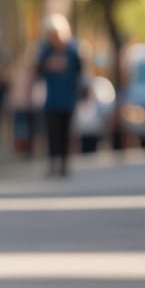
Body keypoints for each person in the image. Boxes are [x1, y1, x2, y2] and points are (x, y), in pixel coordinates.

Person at [36, 13, 83, 176]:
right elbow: (38, 71)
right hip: (51, 99)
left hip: (68, 99)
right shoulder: (45, 51)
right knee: (52, 133)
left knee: (65, 132)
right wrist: (48, 66)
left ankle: (64, 164)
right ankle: (52, 163)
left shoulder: (72, 50)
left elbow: (80, 73)